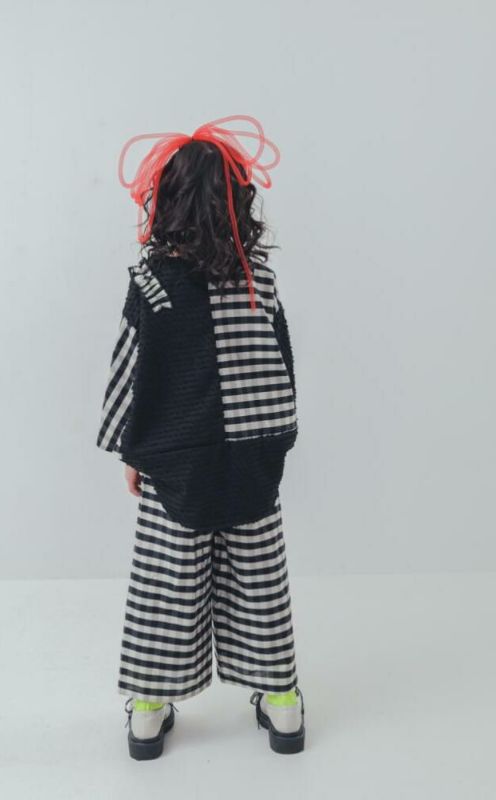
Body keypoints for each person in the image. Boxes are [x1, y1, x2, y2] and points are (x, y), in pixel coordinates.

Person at [97, 116, 305, 760]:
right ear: (238, 203)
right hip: (252, 459)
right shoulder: (259, 280)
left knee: (166, 580)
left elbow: (132, 371)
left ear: (166, 203)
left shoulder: (152, 283)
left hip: (177, 457)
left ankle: (148, 710)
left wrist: (131, 450)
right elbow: (282, 366)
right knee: (259, 576)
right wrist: (275, 442)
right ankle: (283, 702)